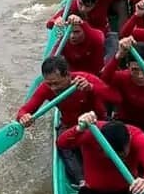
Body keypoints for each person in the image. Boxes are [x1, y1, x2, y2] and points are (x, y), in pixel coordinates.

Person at [17, 56, 118, 185]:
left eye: (56, 83)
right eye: (49, 84)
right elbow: (24, 110)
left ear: (67, 75)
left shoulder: (85, 79)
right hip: (71, 127)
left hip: (99, 124)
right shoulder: (46, 88)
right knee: (62, 145)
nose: (53, 88)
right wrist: (24, 117)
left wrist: (91, 88)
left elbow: (114, 97)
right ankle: (82, 181)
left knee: (117, 137)